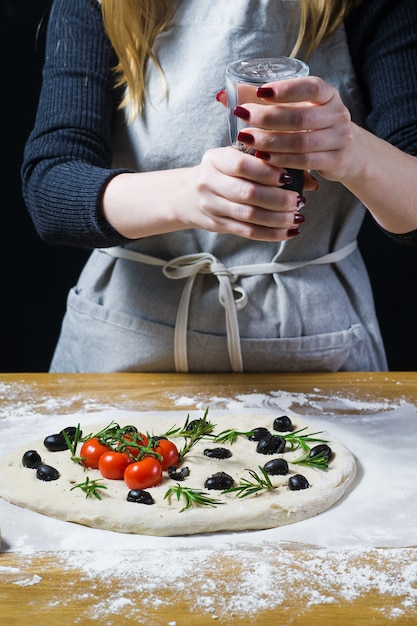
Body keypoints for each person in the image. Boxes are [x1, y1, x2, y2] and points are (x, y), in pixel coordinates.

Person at [22, 0, 417, 373]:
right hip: (122, 343)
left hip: (314, 345)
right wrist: (190, 196)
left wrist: (350, 149)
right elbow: (50, 186)